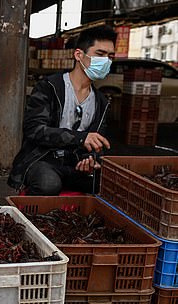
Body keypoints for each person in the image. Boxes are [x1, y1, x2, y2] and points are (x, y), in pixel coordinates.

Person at [8, 25, 117, 195]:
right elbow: (34, 130)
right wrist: (80, 139)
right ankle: (27, 215)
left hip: (74, 164)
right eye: (100, 54)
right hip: (42, 159)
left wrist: (90, 161)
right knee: (48, 184)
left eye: (110, 56)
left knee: (110, 185)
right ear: (78, 55)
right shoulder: (50, 87)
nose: (106, 61)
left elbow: (96, 145)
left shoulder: (101, 102)